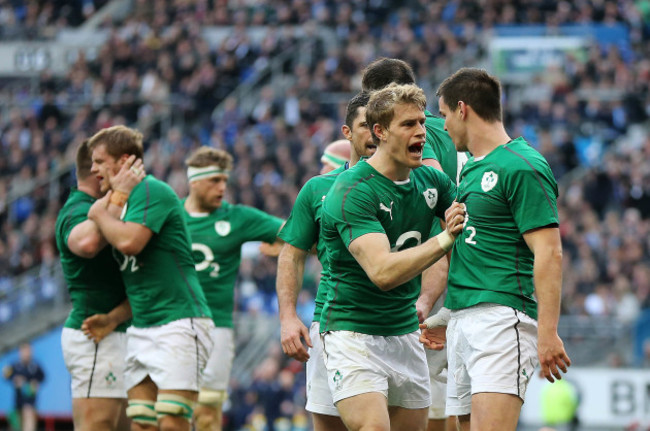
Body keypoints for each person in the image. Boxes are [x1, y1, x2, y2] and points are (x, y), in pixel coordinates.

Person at [422, 67, 571, 431]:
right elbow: (476, 250)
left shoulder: (522, 166)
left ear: (463, 109)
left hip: (503, 321)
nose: (441, 127)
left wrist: (548, 332)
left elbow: (549, 253)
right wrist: (449, 313)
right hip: (463, 321)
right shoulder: (471, 169)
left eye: (442, 115)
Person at [319, 83, 464, 431]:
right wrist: (445, 238)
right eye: (408, 125)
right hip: (354, 333)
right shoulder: (352, 190)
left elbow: (474, 238)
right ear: (380, 132)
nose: (421, 133)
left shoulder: (433, 181)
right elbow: (382, 272)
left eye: (422, 123)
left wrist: (449, 312)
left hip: (405, 334)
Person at [85, 125, 214, 431]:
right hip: (142, 328)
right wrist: (113, 319)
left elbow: (130, 243)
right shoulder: (120, 204)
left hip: (181, 324)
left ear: (125, 160)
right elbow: (144, 282)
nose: (93, 169)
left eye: (100, 161)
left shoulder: (152, 191)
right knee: (143, 421)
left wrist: (100, 215)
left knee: (171, 419)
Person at [361, 56, 458, 431]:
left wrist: (424, 300)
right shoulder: (450, 129)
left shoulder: (417, 140)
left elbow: (428, 192)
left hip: (423, 286)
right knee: (446, 407)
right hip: (460, 281)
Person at [276, 91, 376, 431]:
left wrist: (427, 302)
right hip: (335, 323)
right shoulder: (318, 190)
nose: (375, 133)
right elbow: (292, 253)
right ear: (348, 133)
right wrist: (289, 317)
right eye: (366, 125)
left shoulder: (417, 183)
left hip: (401, 326)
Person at [182, 146, 284, 431]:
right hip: (170, 325)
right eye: (215, 180)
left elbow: (293, 232)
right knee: (170, 412)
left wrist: (285, 246)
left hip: (217, 327)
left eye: (225, 180)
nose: (222, 187)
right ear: (194, 181)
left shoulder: (236, 217)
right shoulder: (171, 217)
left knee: (207, 413)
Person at [55, 139, 143, 431]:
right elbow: (88, 242)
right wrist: (119, 193)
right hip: (95, 336)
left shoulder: (108, 207)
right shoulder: (77, 208)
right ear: (96, 170)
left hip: (120, 333)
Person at [2, 343, 45, 431]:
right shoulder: (15, 366)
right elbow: (6, 375)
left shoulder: (35, 367)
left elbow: (42, 378)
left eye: (29, 351)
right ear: (20, 352)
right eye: (24, 351)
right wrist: (15, 380)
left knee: (28, 415)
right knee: (16, 425)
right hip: (18, 402)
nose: (27, 353)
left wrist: (35, 384)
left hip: (31, 402)